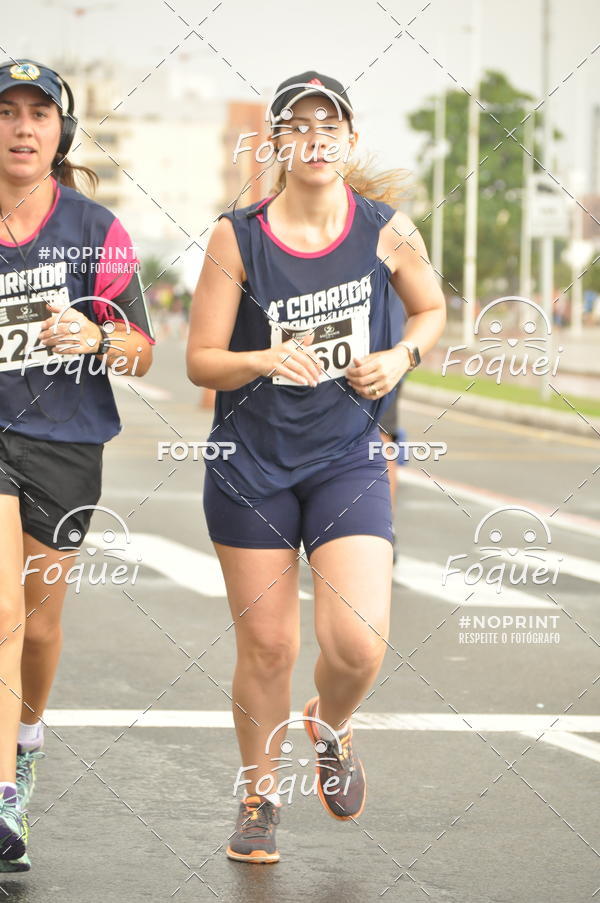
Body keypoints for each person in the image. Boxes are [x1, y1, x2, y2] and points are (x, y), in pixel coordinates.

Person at [186, 70, 446, 864]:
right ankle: (259, 798)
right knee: (269, 647)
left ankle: (331, 723)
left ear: (350, 139)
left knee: (358, 645)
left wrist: (400, 357)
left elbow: (432, 309)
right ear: (276, 143)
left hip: (345, 459)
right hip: (251, 465)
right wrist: (264, 359)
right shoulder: (239, 237)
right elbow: (201, 360)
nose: (314, 139)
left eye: (328, 126)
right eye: (297, 127)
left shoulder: (385, 229)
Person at [0, 59, 155, 871]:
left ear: (60, 132)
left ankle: (27, 738)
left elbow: (142, 351)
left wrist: (98, 335)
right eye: (7, 111)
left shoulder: (96, 229)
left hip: (66, 441)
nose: (22, 127)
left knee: (39, 622)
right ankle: (1, 792)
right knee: (1, 611)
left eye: (39, 113)